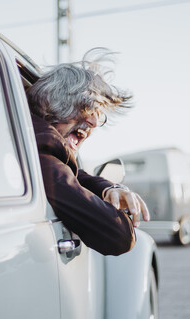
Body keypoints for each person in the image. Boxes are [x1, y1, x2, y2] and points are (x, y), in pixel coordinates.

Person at [27, 48, 149, 256]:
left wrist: (107, 189)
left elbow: (73, 175)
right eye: (85, 108)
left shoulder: (32, 144)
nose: (93, 122)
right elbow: (118, 236)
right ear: (51, 102)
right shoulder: (41, 151)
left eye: (97, 115)